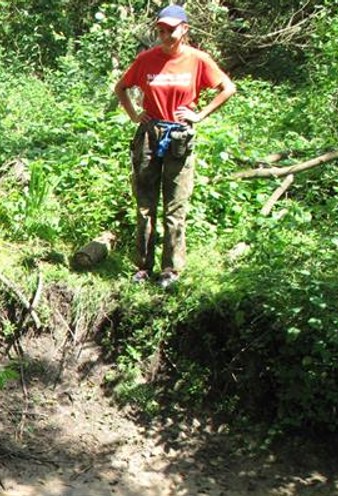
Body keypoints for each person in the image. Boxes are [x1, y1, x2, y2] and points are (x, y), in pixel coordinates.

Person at [114, 4, 236, 289]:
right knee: (145, 204)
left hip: (179, 136)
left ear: (184, 30)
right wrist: (134, 115)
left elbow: (227, 88)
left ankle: (170, 270)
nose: (165, 35)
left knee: (175, 204)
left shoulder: (198, 60)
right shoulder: (146, 59)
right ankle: (143, 268)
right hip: (149, 135)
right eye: (160, 30)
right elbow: (121, 87)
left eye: (170, 30)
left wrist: (200, 115)